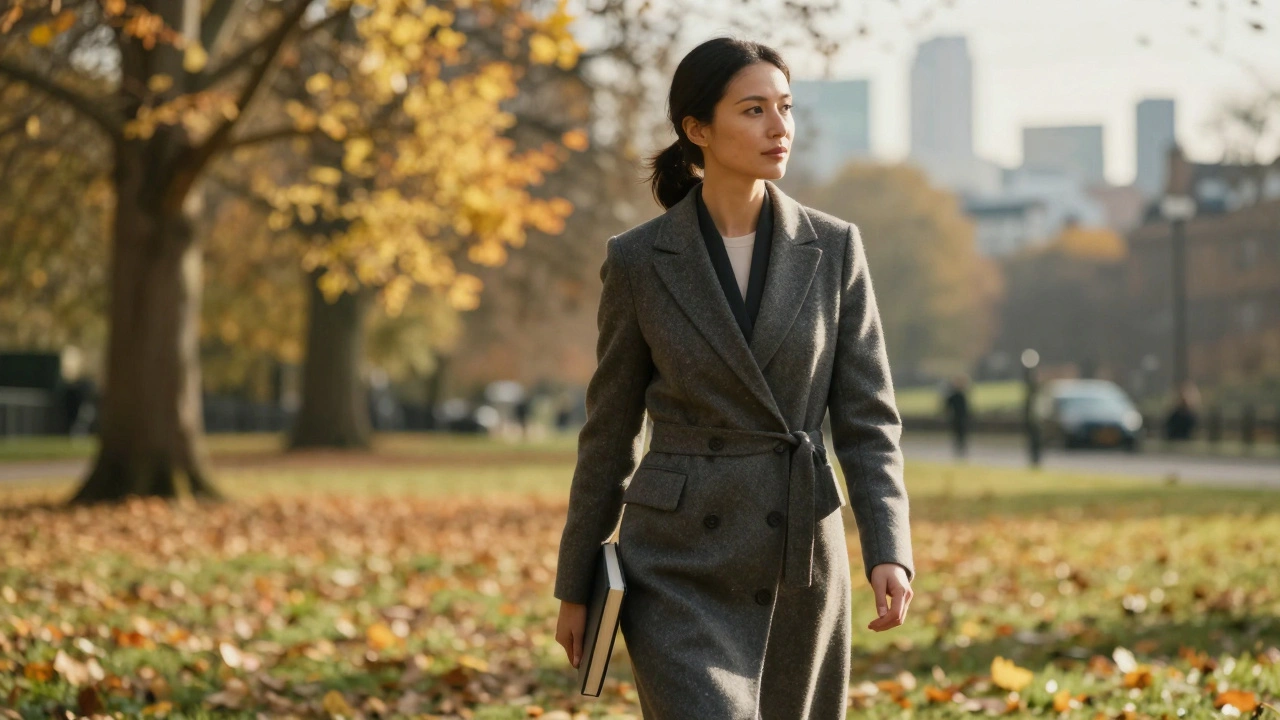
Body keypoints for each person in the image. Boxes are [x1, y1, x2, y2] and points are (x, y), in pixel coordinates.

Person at [551, 37, 915, 718]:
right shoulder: (637, 261)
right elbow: (609, 431)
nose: (780, 128)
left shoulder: (834, 248)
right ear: (697, 129)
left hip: (798, 552)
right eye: (754, 110)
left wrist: (889, 549)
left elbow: (868, 422)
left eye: (785, 107)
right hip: (674, 562)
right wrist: (576, 583)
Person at [943, 374, 971, 458]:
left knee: (961, 434)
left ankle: (961, 449)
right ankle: (959, 449)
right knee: (958, 434)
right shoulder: (956, 396)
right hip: (957, 418)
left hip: (960, 418)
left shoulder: (960, 395)